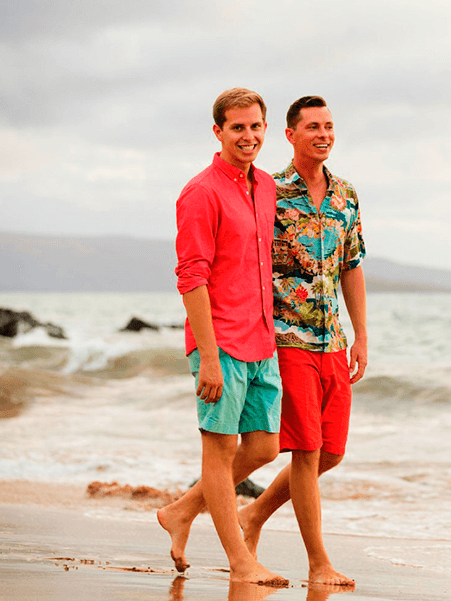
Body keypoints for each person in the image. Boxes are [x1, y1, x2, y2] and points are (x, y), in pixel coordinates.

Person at [158, 87, 287, 586]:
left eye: (256, 126)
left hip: (260, 338)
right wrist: (208, 356)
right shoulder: (201, 191)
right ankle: (240, 560)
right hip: (220, 342)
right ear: (219, 131)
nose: (248, 136)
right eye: (238, 127)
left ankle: (181, 511)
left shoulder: (267, 187)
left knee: (264, 447)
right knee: (219, 451)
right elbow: (191, 275)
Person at [238, 95, 367, 587]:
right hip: (287, 338)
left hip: (332, 339)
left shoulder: (346, 195)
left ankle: (249, 516)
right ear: (290, 134)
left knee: (331, 452)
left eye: (330, 126)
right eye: (313, 126)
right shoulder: (269, 191)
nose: (324, 134)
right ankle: (318, 564)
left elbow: (352, 268)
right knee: (306, 452)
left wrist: (360, 336)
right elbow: (248, 261)